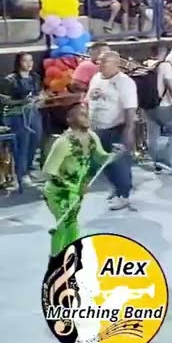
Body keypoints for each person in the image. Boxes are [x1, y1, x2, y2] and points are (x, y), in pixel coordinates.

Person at [41, 103, 119, 256]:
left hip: (76, 192)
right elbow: (48, 172)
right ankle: (56, 259)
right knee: (63, 225)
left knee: (72, 224)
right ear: (70, 119)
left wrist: (114, 155)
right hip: (58, 192)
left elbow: (101, 157)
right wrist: (74, 187)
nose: (87, 117)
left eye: (87, 113)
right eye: (81, 114)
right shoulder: (63, 143)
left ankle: (70, 257)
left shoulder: (91, 136)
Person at [86, 51, 138, 210]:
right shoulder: (96, 78)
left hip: (116, 128)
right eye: (99, 62)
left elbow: (130, 109)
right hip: (96, 128)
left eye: (104, 62)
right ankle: (116, 189)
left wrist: (128, 132)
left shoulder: (125, 82)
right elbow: (89, 99)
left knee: (119, 164)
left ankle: (124, 195)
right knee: (104, 163)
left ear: (116, 63)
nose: (99, 65)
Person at [3, 52, 44, 187]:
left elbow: (39, 93)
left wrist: (40, 98)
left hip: (32, 113)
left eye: (31, 60)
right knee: (23, 143)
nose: (29, 63)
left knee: (35, 140)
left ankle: (29, 167)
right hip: (16, 115)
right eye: (25, 61)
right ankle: (21, 174)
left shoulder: (35, 77)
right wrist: (22, 101)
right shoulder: (11, 79)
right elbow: (4, 101)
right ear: (18, 63)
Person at [143, 43, 172, 174]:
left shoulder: (144, 64)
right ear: (163, 52)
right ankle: (165, 160)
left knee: (152, 135)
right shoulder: (165, 66)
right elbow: (171, 87)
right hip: (164, 105)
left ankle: (154, 163)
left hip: (147, 105)